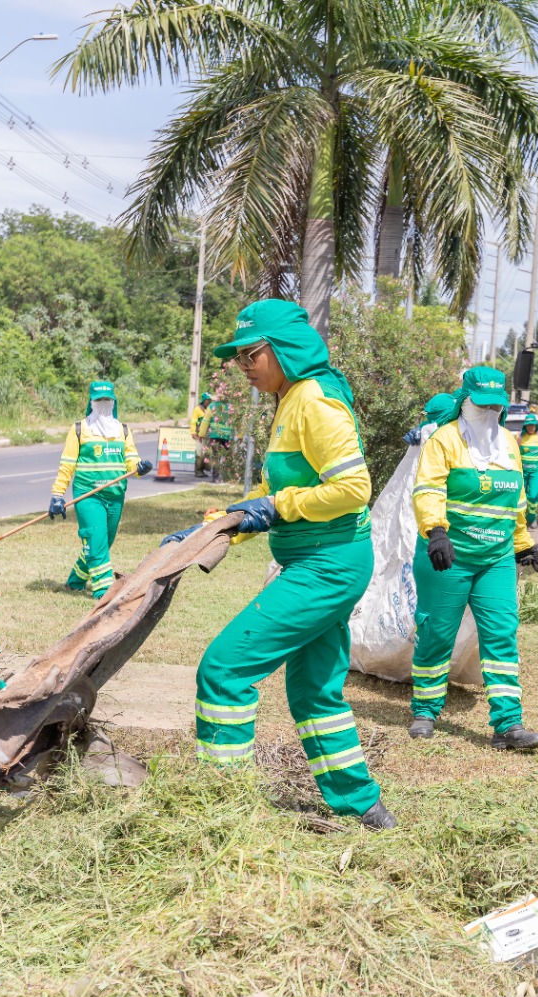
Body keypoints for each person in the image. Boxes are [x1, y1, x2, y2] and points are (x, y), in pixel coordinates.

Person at [161, 299, 396, 830]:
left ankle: (220, 808)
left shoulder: (314, 401)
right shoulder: (289, 399)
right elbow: (283, 486)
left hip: (328, 565)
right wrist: (229, 519)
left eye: (251, 354)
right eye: (238, 357)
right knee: (314, 690)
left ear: (284, 350)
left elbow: (354, 489)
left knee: (223, 670)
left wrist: (277, 507)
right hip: (317, 561)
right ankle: (364, 805)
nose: (243, 365)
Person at [408, 366, 538, 750]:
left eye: (495, 406)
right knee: (437, 634)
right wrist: (436, 530)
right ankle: (425, 710)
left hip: (495, 559)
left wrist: (522, 541)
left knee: (502, 634)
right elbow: (428, 488)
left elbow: (516, 501)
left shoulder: (508, 444)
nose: (488, 413)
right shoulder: (445, 440)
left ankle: (508, 722)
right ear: (464, 402)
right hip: (448, 556)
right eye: (481, 405)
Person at [49, 381, 154, 600]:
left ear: (114, 402)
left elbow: (131, 460)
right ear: (91, 402)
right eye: (98, 400)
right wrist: (57, 495)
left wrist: (139, 468)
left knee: (103, 542)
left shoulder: (122, 430)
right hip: (89, 495)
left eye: (107, 400)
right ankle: (104, 591)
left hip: (115, 496)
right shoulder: (79, 429)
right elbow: (67, 464)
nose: (103, 404)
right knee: (95, 538)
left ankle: (76, 580)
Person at [518, 411, 538, 525]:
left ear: (536, 426)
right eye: (529, 425)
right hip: (522, 473)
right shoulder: (519, 437)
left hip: (536, 473)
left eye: (533, 425)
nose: (531, 427)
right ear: (525, 426)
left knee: (533, 496)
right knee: (520, 496)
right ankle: (521, 519)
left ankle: (532, 516)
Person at [191, 391, 213, 477]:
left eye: (210, 400)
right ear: (204, 400)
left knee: (207, 453)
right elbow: (193, 422)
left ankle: (205, 468)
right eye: (208, 400)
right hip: (199, 435)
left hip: (209, 435)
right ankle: (198, 471)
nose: (209, 402)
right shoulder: (197, 409)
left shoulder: (210, 409)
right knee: (199, 453)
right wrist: (193, 432)